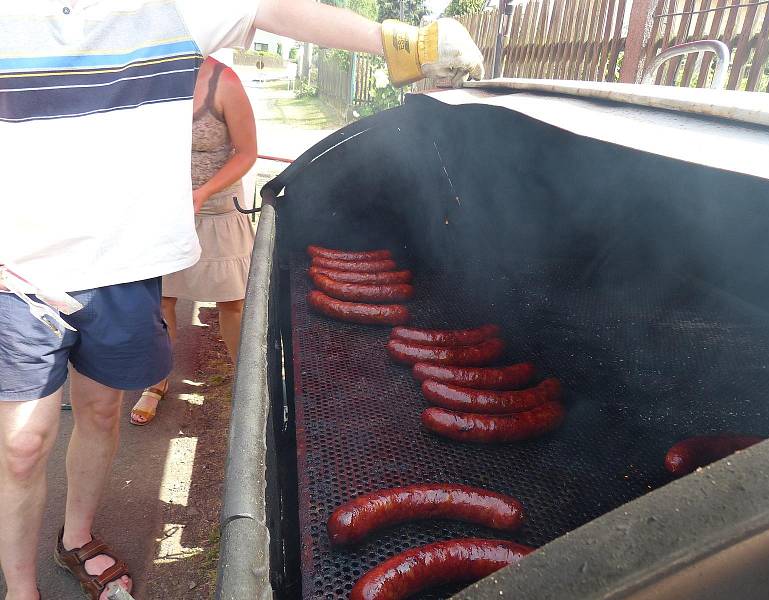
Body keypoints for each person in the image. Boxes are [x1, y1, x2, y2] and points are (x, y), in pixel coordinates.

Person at [0, 1, 483, 598]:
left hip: (124, 268)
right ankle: (20, 587)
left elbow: (270, 7)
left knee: (100, 413)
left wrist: (401, 41)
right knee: (23, 444)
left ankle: (75, 538)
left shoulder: (169, 10)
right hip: (18, 271)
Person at [130, 56, 257, 426]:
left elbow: (247, 152)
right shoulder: (147, 74)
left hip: (216, 210)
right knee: (162, 298)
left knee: (232, 302)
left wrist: (203, 192)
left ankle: (245, 387)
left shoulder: (225, 82)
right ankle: (157, 381)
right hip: (165, 212)